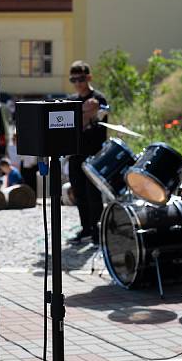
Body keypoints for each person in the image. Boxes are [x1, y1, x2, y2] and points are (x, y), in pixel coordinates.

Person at [67, 60, 108, 245]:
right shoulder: (73, 101)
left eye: (81, 79)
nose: (77, 83)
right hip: (76, 153)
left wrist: (83, 116)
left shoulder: (99, 99)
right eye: (73, 79)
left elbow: (99, 121)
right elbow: (70, 127)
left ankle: (97, 231)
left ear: (89, 77)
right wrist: (84, 113)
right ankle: (85, 228)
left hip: (94, 154)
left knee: (93, 194)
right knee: (79, 193)